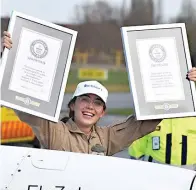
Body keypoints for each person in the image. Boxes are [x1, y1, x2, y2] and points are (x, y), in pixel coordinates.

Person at [2, 31, 196, 156]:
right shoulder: (53, 130)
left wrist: (185, 85)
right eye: (84, 100)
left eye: (97, 103)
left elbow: (144, 122)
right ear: (72, 105)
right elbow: (24, 103)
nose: (89, 106)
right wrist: (6, 58)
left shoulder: (107, 137)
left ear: (103, 112)